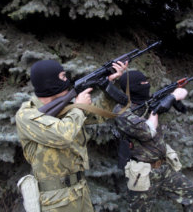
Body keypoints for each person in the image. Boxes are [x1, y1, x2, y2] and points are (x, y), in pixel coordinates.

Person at [15, 59, 128, 212]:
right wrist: (79, 108)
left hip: (80, 191)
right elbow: (62, 135)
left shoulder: (67, 107)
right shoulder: (27, 115)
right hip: (55, 200)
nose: (67, 80)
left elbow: (98, 115)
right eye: (62, 77)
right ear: (49, 82)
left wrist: (109, 84)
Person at [113, 70, 193, 212]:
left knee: (192, 193)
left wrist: (172, 98)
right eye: (142, 83)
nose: (146, 85)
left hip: (163, 168)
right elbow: (147, 132)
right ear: (133, 88)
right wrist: (170, 98)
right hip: (142, 173)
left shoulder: (147, 102)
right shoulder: (122, 111)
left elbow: (176, 108)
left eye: (146, 81)